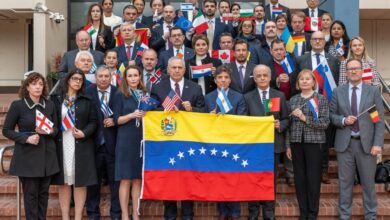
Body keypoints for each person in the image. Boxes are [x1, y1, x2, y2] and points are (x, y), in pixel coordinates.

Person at [151, 56, 204, 220]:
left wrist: (192, 109)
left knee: (188, 177)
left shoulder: (195, 88)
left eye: (179, 68)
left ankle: (188, 214)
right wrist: (165, 110)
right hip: (167, 141)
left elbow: (203, 113)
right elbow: (151, 111)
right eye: (173, 67)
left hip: (188, 141)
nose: (176, 70)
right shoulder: (158, 87)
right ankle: (170, 214)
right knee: (169, 177)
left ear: (184, 69)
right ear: (168, 69)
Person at [330, 58, 384, 220]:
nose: (353, 71)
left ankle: (371, 215)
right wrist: (343, 120)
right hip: (345, 146)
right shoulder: (338, 91)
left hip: (366, 145)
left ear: (362, 70)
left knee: (368, 184)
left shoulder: (372, 91)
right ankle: (344, 215)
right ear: (346, 72)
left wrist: (377, 143)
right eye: (350, 69)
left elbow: (378, 119)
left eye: (356, 68)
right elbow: (332, 115)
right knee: (345, 184)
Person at [2, 72, 59, 220]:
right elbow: (6, 130)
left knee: (43, 196)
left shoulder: (50, 105)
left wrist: (49, 131)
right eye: (34, 84)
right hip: (27, 158)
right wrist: (25, 138)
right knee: (31, 197)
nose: (38, 87)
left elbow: (56, 130)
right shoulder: (18, 105)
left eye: (40, 84)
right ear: (27, 86)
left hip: (47, 157)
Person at [50, 69, 98, 220]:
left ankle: (78, 217)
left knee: (80, 181)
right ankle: (65, 217)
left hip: (81, 145)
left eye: (80, 79)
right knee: (64, 182)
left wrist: (84, 133)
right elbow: (50, 119)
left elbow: (94, 122)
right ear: (68, 80)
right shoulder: (56, 99)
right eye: (75, 78)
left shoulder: (87, 99)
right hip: (61, 143)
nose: (78, 81)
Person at [245, 64, 289, 220]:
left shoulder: (279, 95)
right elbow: (243, 122)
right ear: (254, 78)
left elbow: (286, 119)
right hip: (254, 147)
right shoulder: (247, 97)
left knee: (270, 181)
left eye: (265, 75)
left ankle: (269, 213)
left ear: (270, 77)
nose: (262, 78)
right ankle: (253, 212)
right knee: (253, 180)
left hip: (273, 146)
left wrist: (280, 125)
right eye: (259, 76)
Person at [296, 31, 340, 184]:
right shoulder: (301, 59)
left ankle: (323, 170)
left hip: (325, 103)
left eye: (320, 39)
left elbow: (336, 83)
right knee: (309, 138)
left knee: (325, 139)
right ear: (310, 41)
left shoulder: (333, 60)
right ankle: (310, 170)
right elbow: (298, 80)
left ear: (324, 41)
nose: (317, 41)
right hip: (306, 101)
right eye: (314, 39)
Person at [204, 65, 246, 220]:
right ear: (215, 80)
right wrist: (209, 117)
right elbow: (201, 121)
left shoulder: (238, 97)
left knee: (233, 178)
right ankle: (222, 211)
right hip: (215, 144)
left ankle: (235, 211)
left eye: (226, 77)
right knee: (219, 178)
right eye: (220, 77)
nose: (223, 80)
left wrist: (226, 117)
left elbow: (242, 119)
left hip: (233, 143)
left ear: (230, 80)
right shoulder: (208, 97)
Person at [288, 69, 330, 219]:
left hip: (314, 143)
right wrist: (288, 145)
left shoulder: (321, 99)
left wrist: (304, 118)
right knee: (299, 178)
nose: (304, 81)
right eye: (301, 79)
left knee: (313, 179)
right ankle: (303, 212)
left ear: (313, 82)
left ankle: (312, 213)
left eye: (308, 79)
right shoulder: (293, 100)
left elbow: (324, 123)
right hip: (296, 143)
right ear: (298, 83)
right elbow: (288, 124)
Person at [86, 66, 121, 220]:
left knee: (115, 183)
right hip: (93, 145)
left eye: (106, 76)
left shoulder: (119, 92)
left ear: (111, 77)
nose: (103, 79)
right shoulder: (88, 93)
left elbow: (122, 114)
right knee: (93, 183)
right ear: (95, 77)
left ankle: (116, 214)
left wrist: (115, 120)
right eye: (100, 76)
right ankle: (93, 214)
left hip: (113, 145)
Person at [113, 65, 146, 220]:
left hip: (141, 139)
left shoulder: (145, 94)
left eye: (136, 75)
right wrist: (132, 115)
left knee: (137, 179)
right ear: (125, 78)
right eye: (130, 76)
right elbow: (116, 120)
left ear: (140, 77)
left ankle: (135, 214)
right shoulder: (120, 94)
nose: (133, 78)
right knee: (125, 179)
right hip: (125, 140)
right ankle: (125, 215)